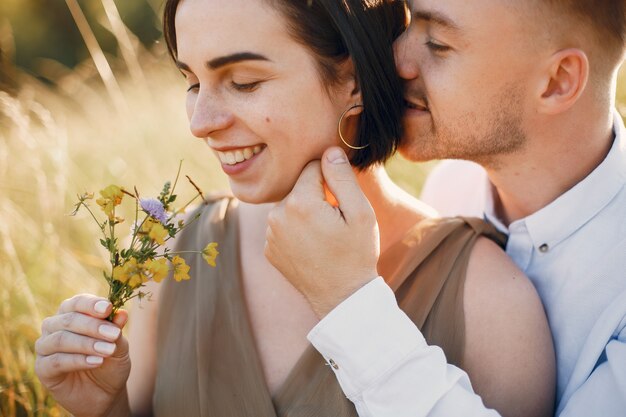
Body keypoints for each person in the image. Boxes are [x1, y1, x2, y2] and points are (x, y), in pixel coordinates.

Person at [34, 0, 555, 416]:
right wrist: (105, 408)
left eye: (244, 82)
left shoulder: (489, 301)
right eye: (192, 82)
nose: (201, 121)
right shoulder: (171, 256)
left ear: (352, 81)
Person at [264, 0, 626, 416]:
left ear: (557, 81)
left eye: (437, 43)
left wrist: (349, 304)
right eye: (409, 21)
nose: (396, 56)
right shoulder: (452, 188)